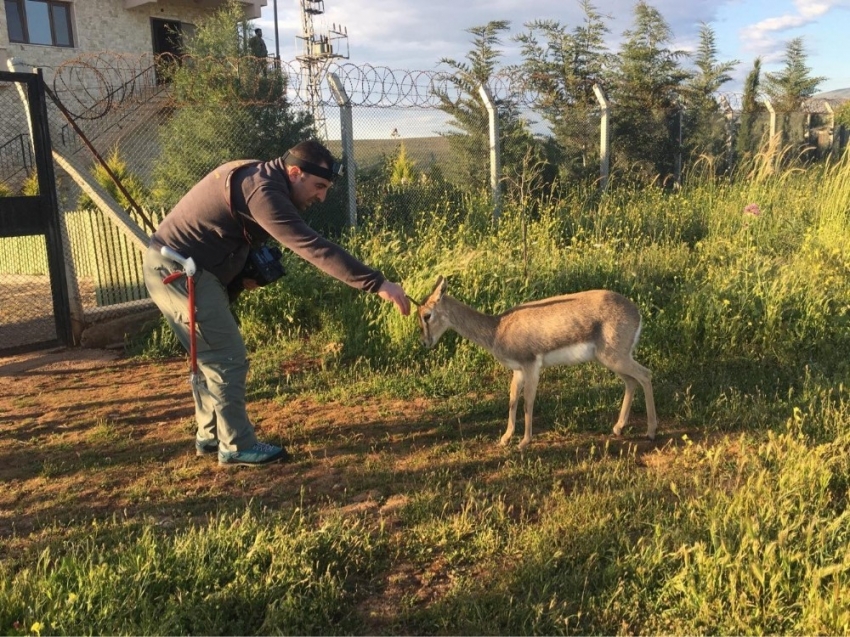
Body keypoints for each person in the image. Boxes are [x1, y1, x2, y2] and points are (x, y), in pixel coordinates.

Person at [143, 140, 411, 467]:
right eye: (319, 186)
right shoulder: (264, 192)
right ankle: (236, 446)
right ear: (295, 172)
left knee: (210, 356)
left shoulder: (261, 176)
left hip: (188, 268)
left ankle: (211, 435)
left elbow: (227, 233)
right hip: (178, 271)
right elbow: (313, 247)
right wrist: (376, 282)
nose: (322, 196)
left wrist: (240, 276)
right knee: (226, 356)